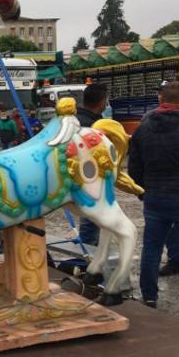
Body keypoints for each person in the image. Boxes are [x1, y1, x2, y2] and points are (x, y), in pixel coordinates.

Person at [128, 81, 179, 321]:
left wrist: (142, 191)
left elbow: (134, 165)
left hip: (154, 197)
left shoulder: (143, 128)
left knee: (151, 249)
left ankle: (149, 297)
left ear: (160, 100)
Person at [76, 83, 109, 246]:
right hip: (91, 179)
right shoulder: (95, 126)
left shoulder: (75, 120)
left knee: (90, 220)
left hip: (78, 177)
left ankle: (89, 253)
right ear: (102, 102)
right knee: (91, 222)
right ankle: (87, 259)